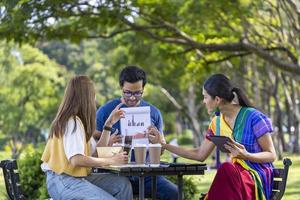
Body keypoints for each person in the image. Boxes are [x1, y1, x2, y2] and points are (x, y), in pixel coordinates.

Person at [149, 74, 276, 200]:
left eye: (205, 97)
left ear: (217, 99)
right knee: (227, 170)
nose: (203, 101)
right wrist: (164, 145)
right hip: (234, 178)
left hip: (256, 176)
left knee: (226, 169)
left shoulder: (253, 117)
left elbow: (271, 154)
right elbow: (200, 154)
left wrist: (246, 155)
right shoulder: (217, 123)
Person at [41, 75, 132, 200]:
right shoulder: (72, 122)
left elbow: (95, 154)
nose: (94, 98)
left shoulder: (78, 122)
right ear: (86, 97)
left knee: (122, 185)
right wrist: (112, 160)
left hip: (73, 177)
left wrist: (108, 125)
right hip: (62, 180)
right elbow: (77, 160)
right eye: (93, 94)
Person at [94, 66, 178, 200]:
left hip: (146, 175)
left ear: (144, 89)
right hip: (115, 174)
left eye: (138, 93)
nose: (132, 98)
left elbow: (161, 149)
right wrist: (108, 142)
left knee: (174, 193)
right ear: (121, 87)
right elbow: (93, 144)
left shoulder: (153, 112)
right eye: (127, 93)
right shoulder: (106, 110)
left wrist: (157, 143)